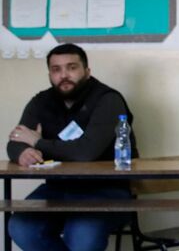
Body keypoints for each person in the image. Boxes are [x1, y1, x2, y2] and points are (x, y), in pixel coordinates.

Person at [6, 43, 139, 251]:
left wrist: (39, 143)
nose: (64, 75)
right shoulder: (41, 102)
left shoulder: (108, 100)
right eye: (56, 69)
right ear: (49, 74)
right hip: (57, 189)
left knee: (82, 232)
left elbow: (86, 152)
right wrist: (23, 152)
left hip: (106, 190)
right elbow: (16, 141)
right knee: (22, 226)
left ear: (87, 71)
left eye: (72, 67)